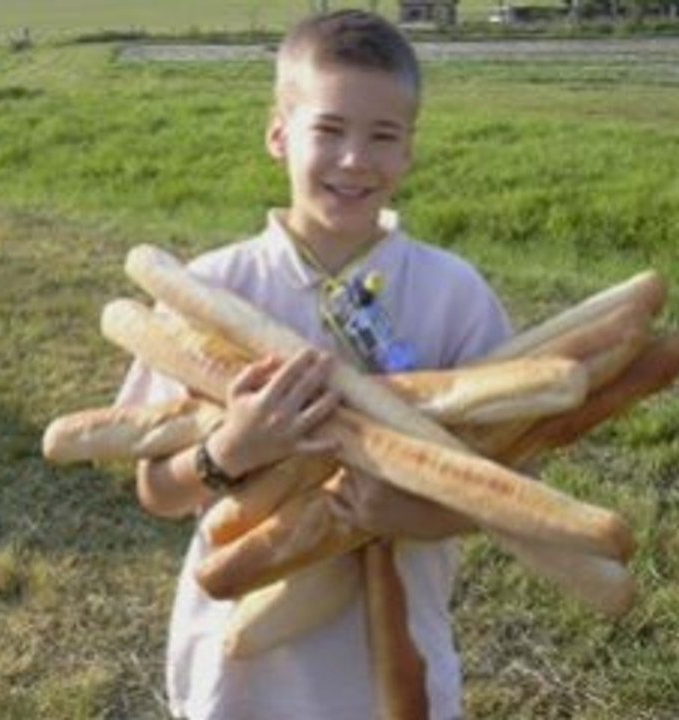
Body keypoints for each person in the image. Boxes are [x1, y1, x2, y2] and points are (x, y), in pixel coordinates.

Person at [116, 10, 512, 720]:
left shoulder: (457, 297)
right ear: (279, 134)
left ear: (410, 150)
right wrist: (230, 450)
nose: (355, 159)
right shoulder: (210, 290)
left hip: (393, 663)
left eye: (382, 136)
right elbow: (156, 488)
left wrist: (417, 510)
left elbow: (511, 487)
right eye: (328, 130)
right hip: (240, 672)